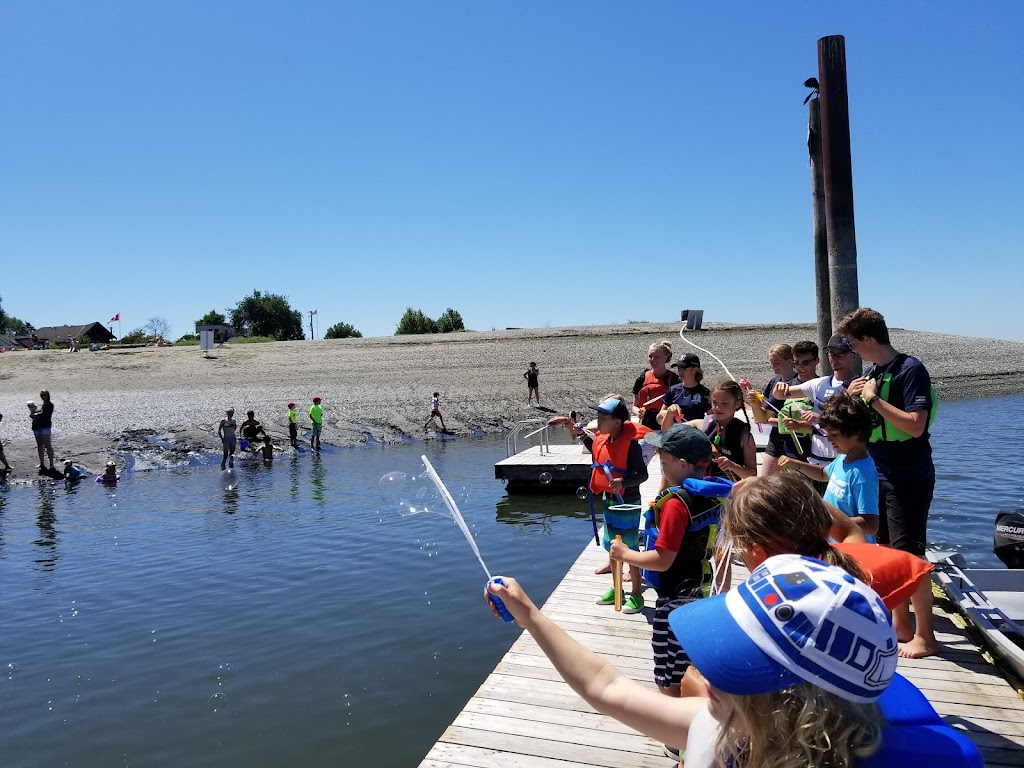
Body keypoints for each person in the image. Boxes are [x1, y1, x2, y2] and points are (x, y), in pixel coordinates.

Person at [485, 554, 896, 768]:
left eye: (739, 664)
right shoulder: (730, 725)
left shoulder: (731, 724)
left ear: (800, 702)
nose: (703, 668)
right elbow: (606, 688)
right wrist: (531, 617)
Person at [727, 473, 938, 658]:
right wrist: (792, 495)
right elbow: (850, 531)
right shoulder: (845, 574)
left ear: (757, 553)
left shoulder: (759, 613)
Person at [610, 424, 722, 757]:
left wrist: (625, 555)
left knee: (668, 673)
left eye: (665, 457)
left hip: (674, 602)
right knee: (690, 667)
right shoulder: (711, 495)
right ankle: (694, 732)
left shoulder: (676, 503)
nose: (660, 460)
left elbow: (662, 559)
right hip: (700, 591)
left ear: (685, 464)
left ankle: (678, 742)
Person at [839, 307, 940, 658]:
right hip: (878, 467)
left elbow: (915, 424)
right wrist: (852, 397)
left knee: (909, 552)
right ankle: (900, 624)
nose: (851, 348)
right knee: (884, 547)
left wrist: (874, 399)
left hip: (908, 471)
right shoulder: (872, 373)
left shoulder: (910, 369)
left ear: (868, 339)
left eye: (852, 342)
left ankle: (926, 636)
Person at [574, 396, 649, 613]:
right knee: (613, 547)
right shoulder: (605, 438)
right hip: (609, 499)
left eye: (603, 417)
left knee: (630, 548)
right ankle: (617, 589)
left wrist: (623, 482)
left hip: (628, 502)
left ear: (617, 422)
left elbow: (642, 474)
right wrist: (581, 436)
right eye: (598, 416)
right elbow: (596, 449)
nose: (598, 421)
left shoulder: (631, 444)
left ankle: (636, 593)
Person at [777, 394, 880, 542]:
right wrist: (796, 464)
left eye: (834, 434)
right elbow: (823, 473)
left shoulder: (862, 474)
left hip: (853, 550)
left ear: (856, 433)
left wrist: (823, 523)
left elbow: (871, 525)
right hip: (834, 543)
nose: (829, 439)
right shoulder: (844, 457)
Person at [773, 334, 859, 475]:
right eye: (831, 354)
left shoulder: (858, 384)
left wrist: (821, 419)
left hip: (843, 460)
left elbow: (855, 424)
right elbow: (780, 394)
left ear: (853, 356)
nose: (834, 359)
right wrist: (780, 387)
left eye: (840, 354)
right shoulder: (819, 384)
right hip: (817, 461)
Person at [743, 343, 798, 476]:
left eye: (776, 362)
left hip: (794, 442)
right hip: (775, 438)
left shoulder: (799, 384)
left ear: (790, 360)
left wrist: (767, 421)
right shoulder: (774, 381)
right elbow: (766, 405)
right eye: (771, 362)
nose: (772, 366)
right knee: (765, 481)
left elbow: (795, 420)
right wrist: (750, 391)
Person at [690, 380, 756, 481]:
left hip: (729, 488)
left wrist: (732, 466)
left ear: (737, 403)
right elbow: (668, 431)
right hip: (702, 485)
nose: (718, 408)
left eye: (724, 403)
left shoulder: (744, 435)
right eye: (714, 403)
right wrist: (668, 414)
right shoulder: (703, 424)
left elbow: (752, 475)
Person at [633, 340, 680, 431]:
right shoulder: (642, 378)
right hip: (646, 422)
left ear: (666, 358)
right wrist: (638, 412)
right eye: (650, 356)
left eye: (657, 357)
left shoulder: (674, 379)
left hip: (666, 421)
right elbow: (635, 406)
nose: (653, 360)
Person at [658, 353, 711, 428]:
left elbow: (712, 420)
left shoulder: (705, 393)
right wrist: (668, 413)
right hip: (674, 435)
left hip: (694, 435)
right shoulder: (673, 390)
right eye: (679, 369)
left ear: (695, 370)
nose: (680, 372)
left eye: (684, 369)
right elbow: (659, 419)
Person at [31, 390, 56, 473]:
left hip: (45, 426)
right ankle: (42, 463)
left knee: (47, 445)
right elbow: (38, 414)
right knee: (40, 445)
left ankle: (51, 464)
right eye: (42, 395)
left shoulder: (50, 405)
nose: (43, 397)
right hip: (37, 426)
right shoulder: (41, 405)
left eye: (44, 395)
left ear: (48, 395)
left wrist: (34, 415)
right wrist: (33, 413)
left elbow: (45, 415)